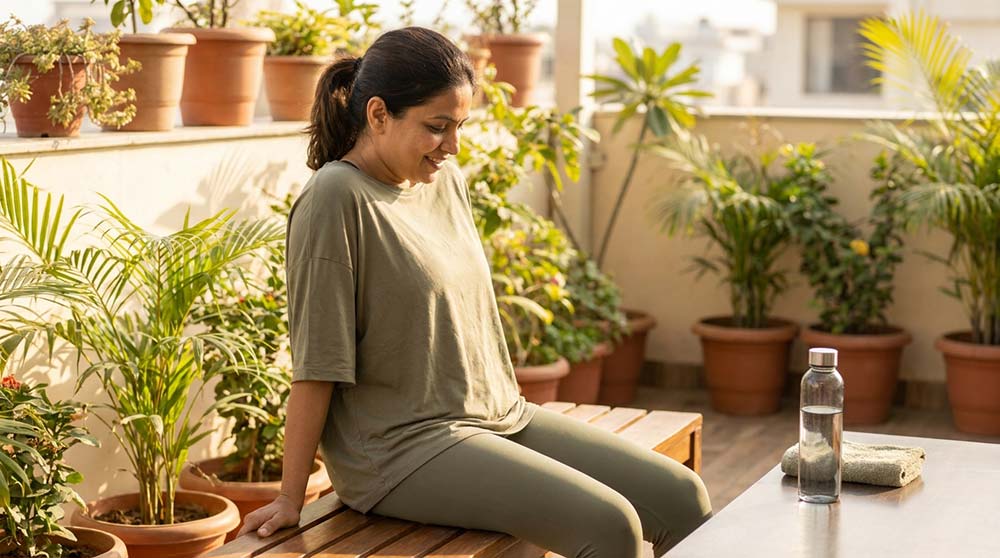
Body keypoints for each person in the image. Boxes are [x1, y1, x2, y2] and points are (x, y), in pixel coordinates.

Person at [238, 26, 712, 558]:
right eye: (437, 127)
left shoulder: (444, 181)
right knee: (611, 527)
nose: (453, 146)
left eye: (460, 126)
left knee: (681, 496)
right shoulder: (334, 198)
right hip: (401, 448)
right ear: (377, 114)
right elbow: (316, 363)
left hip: (497, 415)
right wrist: (289, 496)